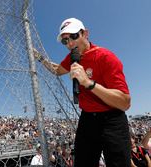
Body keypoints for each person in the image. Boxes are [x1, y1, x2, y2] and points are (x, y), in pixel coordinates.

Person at [34, 18, 131, 167]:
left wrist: (88, 83)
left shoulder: (105, 57)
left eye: (73, 36)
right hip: (87, 119)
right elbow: (57, 70)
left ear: (85, 33)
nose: (70, 44)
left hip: (112, 120)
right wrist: (39, 57)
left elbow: (124, 102)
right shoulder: (73, 57)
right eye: (65, 41)